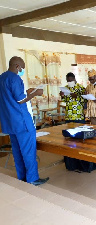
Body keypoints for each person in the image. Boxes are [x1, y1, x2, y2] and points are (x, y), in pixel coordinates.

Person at [0, 56, 49, 185]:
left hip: (10, 122)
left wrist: (27, 92)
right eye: (22, 68)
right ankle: (33, 179)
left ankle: (22, 177)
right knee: (28, 151)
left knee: (17, 151)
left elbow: (10, 97)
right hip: (21, 121)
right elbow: (19, 100)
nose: (22, 71)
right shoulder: (15, 78)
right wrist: (35, 93)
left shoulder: (2, 77)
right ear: (17, 66)